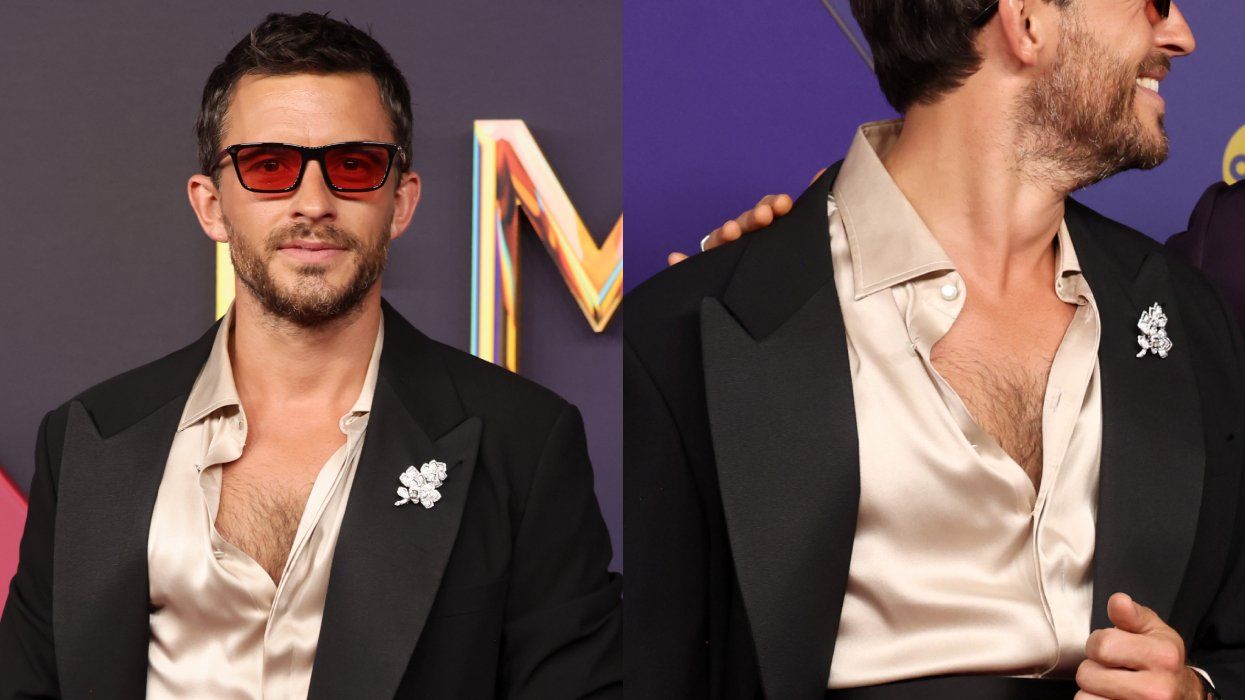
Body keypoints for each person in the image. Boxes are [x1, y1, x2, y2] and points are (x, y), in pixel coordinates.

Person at [625, 1, 1242, 698]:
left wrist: (1195, 690)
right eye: (1150, 3)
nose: (1181, 35)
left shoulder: (1187, 316)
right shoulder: (703, 323)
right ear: (1027, 20)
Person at [0, 13, 620, 699]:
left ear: (401, 201)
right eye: (269, 166)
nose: (313, 202)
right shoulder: (90, 437)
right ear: (211, 206)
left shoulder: (523, 442)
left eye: (353, 166)